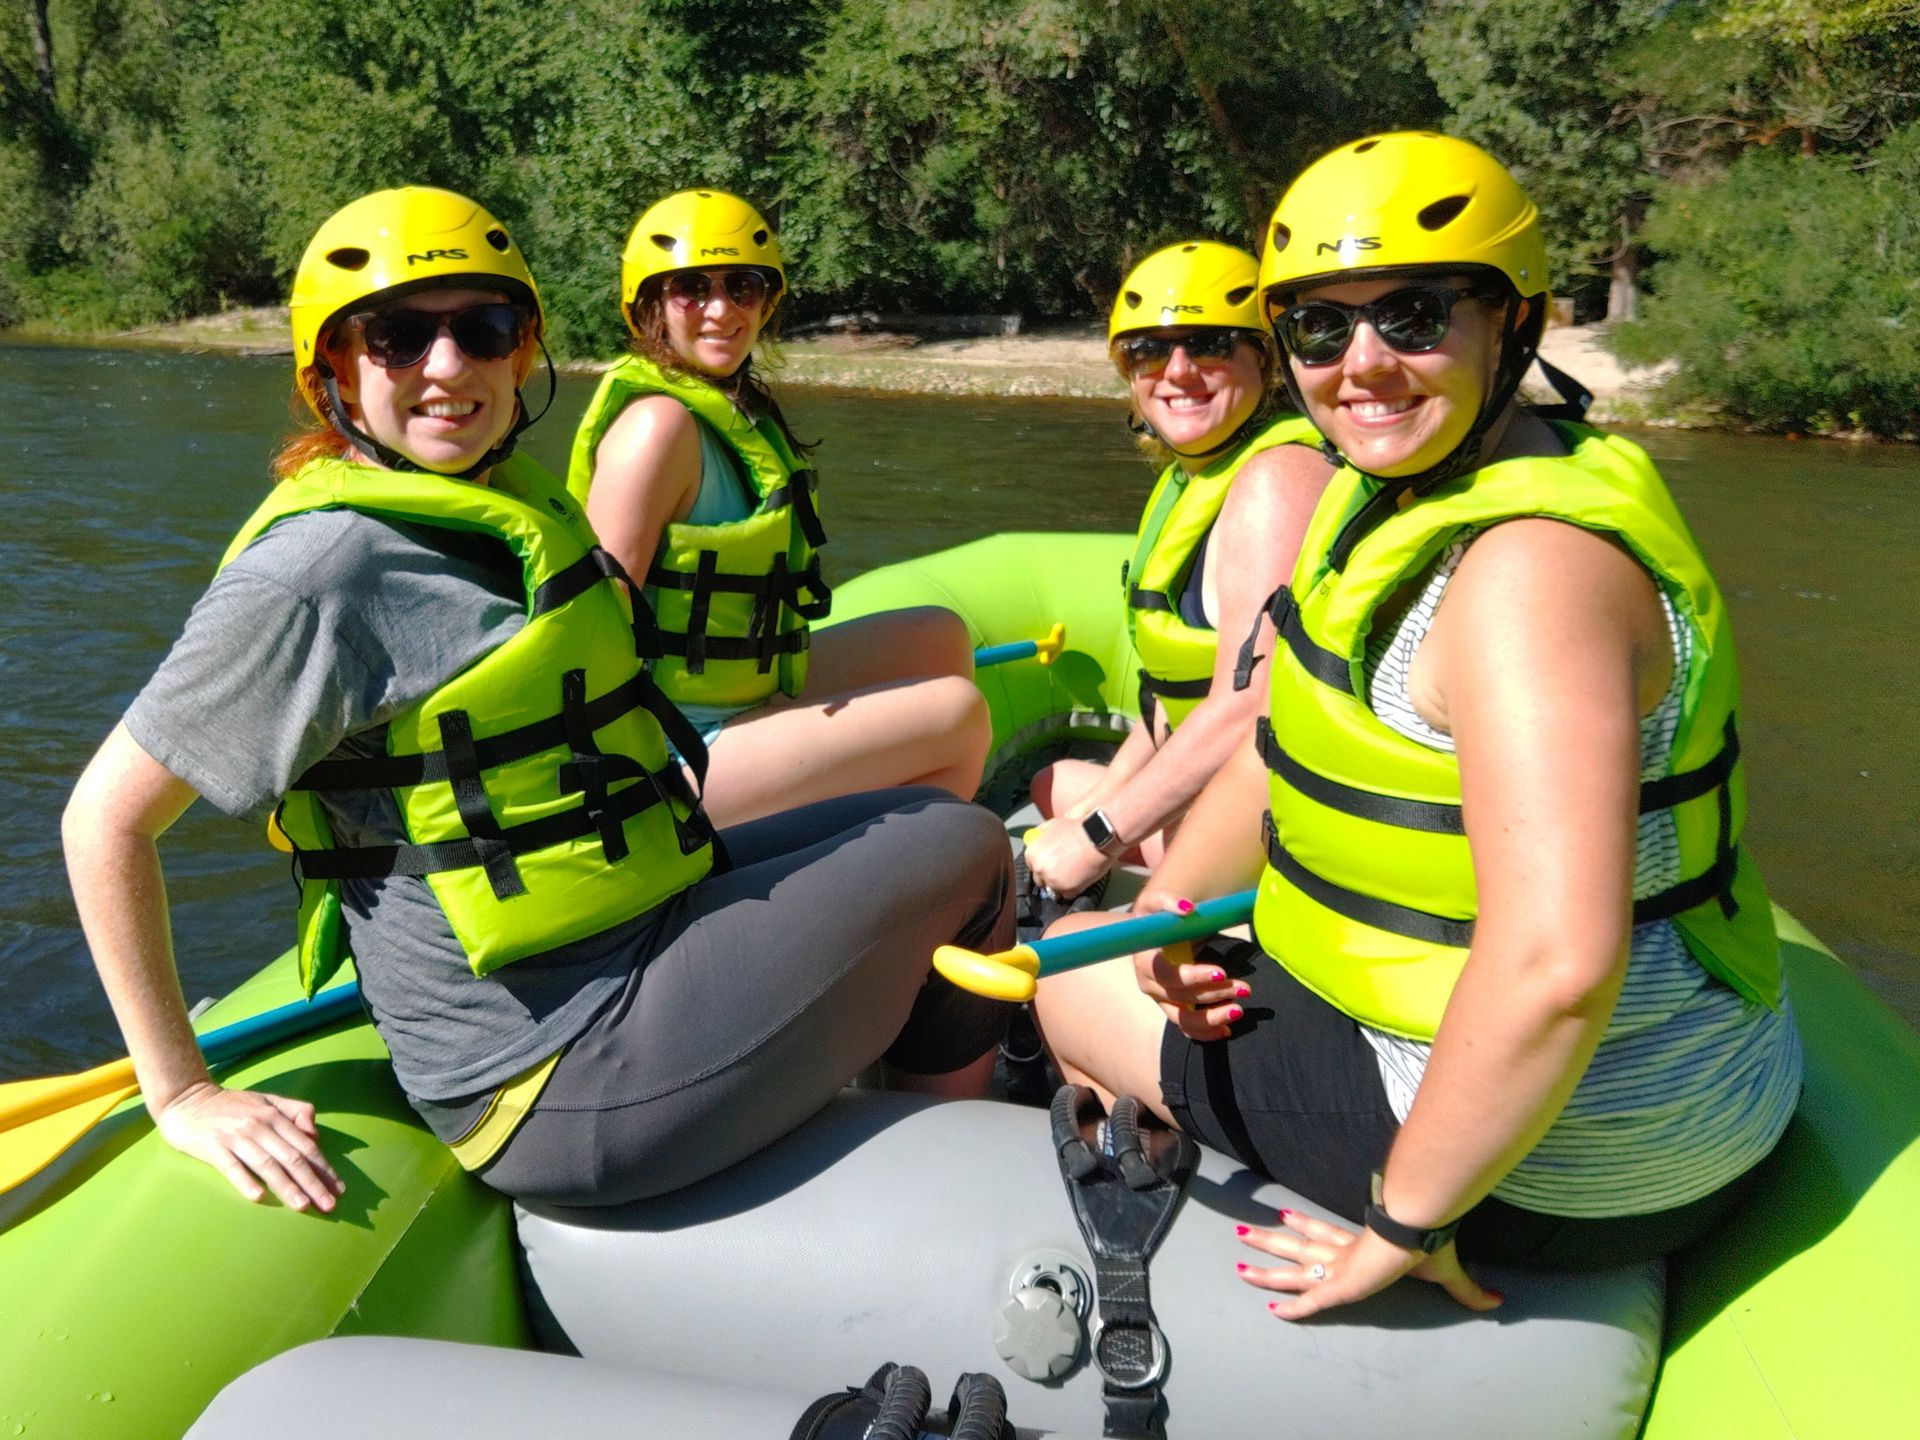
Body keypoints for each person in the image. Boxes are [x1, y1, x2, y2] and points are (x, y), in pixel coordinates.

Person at [62, 187, 1015, 1214]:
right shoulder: (319, 572)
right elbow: (104, 822)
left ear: (522, 353)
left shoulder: (505, 502)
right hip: (559, 1068)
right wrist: (184, 1090)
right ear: (331, 367)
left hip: (634, 927)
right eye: (396, 339)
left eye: (484, 330)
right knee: (968, 854)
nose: (447, 367)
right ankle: (960, 1188)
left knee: (932, 820)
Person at [1032, 133, 1802, 1318]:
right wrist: (1164, 919)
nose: (1364, 364)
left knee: (1063, 997)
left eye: (1416, 314)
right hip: (1583, 1085)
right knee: (1123, 950)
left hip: (1578, 1158)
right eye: (1322, 329)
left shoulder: (1528, 577)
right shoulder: (1389, 501)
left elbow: (1553, 967)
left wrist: (1404, 1217)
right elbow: (1290, 740)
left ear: (1515, 324)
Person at [567, 188, 989, 828]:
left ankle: (881, 848)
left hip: (736, 690)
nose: (721, 309)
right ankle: (904, 885)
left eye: (744, 286)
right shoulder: (656, 428)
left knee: (938, 635)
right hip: (673, 749)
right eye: (691, 288)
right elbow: (590, 623)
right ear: (649, 304)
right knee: (959, 714)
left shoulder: (730, 410)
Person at [1022, 241, 1329, 906]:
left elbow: (1251, 705)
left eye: (1210, 344)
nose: (1178, 370)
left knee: (1064, 958)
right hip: (1221, 796)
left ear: (1266, 360)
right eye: (1149, 350)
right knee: (1056, 788)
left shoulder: (1277, 481)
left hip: (1274, 825)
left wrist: (1097, 837)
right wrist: (1089, 813)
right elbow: (1173, 698)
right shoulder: (1196, 479)